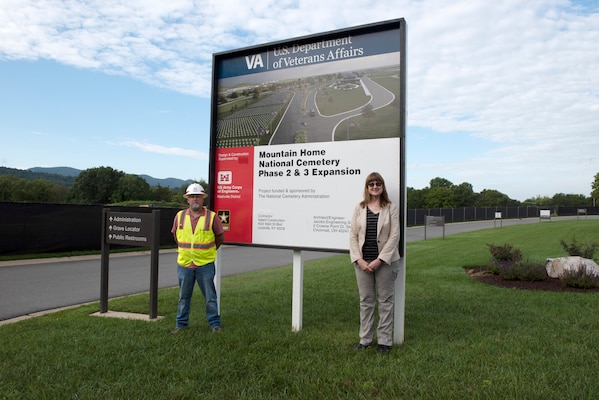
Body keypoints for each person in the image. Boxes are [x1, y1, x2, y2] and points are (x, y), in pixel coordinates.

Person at [349, 172, 400, 353]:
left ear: (382, 186)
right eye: (371, 183)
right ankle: (365, 339)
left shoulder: (390, 207)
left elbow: (395, 236)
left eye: (378, 183)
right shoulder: (359, 207)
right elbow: (353, 235)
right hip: (363, 262)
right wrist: (359, 259)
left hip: (385, 262)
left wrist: (380, 260)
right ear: (367, 187)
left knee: (385, 300)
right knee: (366, 301)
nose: (375, 186)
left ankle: (384, 341)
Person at [170, 183, 225, 334]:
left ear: (203, 199)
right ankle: (181, 325)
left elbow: (220, 237)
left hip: (205, 264)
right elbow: (176, 236)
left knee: (210, 297)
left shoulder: (212, 217)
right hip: (185, 264)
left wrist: (209, 250)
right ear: (187, 199)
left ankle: (215, 325)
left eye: (198, 196)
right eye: (192, 196)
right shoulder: (179, 217)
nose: (195, 199)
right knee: (183, 297)